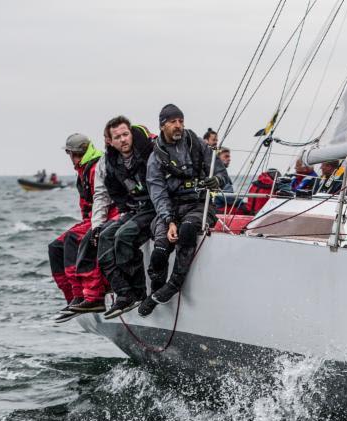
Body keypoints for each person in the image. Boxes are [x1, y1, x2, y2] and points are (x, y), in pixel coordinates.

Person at [138, 104, 227, 317]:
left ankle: (174, 285)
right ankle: (155, 293)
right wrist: (169, 221)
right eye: (173, 122)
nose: (178, 126)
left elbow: (221, 174)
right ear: (162, 126)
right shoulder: (156, 158)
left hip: (198, 205)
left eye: (181, 121)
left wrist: (216, 180)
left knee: (187, 229)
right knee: (160, 249)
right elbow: (158, 193)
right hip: (170, 209)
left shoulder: (196, 144)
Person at [96, 116, 157, 318]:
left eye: (125, 134)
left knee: (125, 235)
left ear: (131, 134)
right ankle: (124, 294)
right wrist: (125, 207)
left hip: (155, 206)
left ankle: (139, 292)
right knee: (103, 237)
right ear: (110, 141)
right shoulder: (111, 160)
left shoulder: (148, 151)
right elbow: (113, 187)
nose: (123, 140)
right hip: (135, 208)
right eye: (117, 137)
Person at [48, 134, 110, 322]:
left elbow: (102, 198)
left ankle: (86, 295)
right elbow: (86, 203)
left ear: (73, 153)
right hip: (91, 218)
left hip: (106, 216)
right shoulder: (82, 170)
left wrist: (95, 225)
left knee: (73, 239)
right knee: (55, 247)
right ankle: (72, 299)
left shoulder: (96, 167)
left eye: (70, 153)